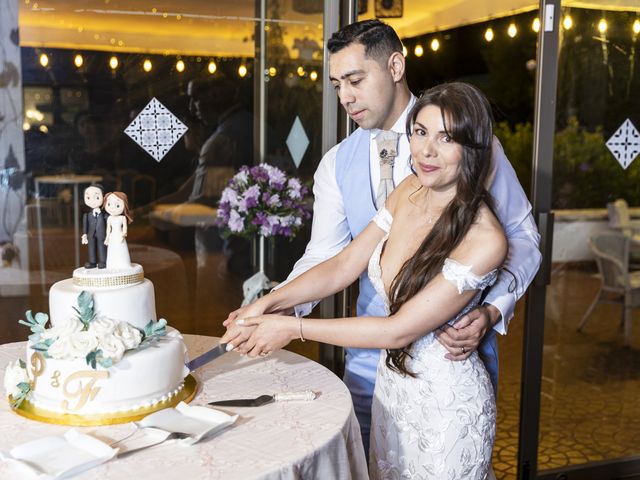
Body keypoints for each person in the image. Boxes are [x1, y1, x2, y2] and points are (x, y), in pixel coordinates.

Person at [224, 19, 541, 456]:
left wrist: (491, 310)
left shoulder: (469, 144)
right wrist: (273, 303)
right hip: (366, 360)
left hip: (449, 360)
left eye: (355, 80)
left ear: (395, 66)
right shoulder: (345, 166)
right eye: (337, 85)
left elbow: (522, 237)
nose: (345, 97)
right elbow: (331, 259)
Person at [103, 191, 133, 269]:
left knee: (121, 250)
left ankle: (123, 264)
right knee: (113, 250)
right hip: (112, 236)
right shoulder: (109, 218)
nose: (112, 208)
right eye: (109, 204)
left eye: (117, 205)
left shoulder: (122, 218)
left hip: (119, 235)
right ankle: (112, 265)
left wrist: (124, 234)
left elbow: (124, 227)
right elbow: (108, 229)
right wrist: (107, 237)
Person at [81, 184, 107, 269]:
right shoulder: (87, 215)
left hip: (102, 235)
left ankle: (103, 261)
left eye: (96, 197)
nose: (92, 201)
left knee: (101, 247)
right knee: (91, 248)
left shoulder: (104, 215)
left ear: (103, 198)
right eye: (88, 198)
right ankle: (92, 262)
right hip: (90, 235)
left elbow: (109, 222)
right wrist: (84, 235)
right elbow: (85, 226)